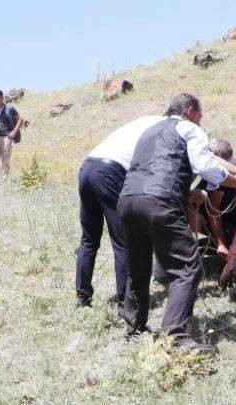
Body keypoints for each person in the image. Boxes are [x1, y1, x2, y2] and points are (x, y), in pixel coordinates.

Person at [117, 93, 236, 353]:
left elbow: (153, 168)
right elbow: (205, 166)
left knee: (139, 266)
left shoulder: (149, 131)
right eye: (200, 117)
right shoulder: (189, 128)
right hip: (159, 202)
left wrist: (185, 192)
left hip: (128, 199)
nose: (200, 122)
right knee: (188, 266)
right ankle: (175, 338)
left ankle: (135, 328)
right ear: (190, 111)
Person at [76, 115, 167, 308]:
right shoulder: (166, 128)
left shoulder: (145, 121)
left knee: (89, 239)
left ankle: (82, 299)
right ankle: (124, 302)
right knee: (123, 241)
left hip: (88, 167)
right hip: (110, 171)